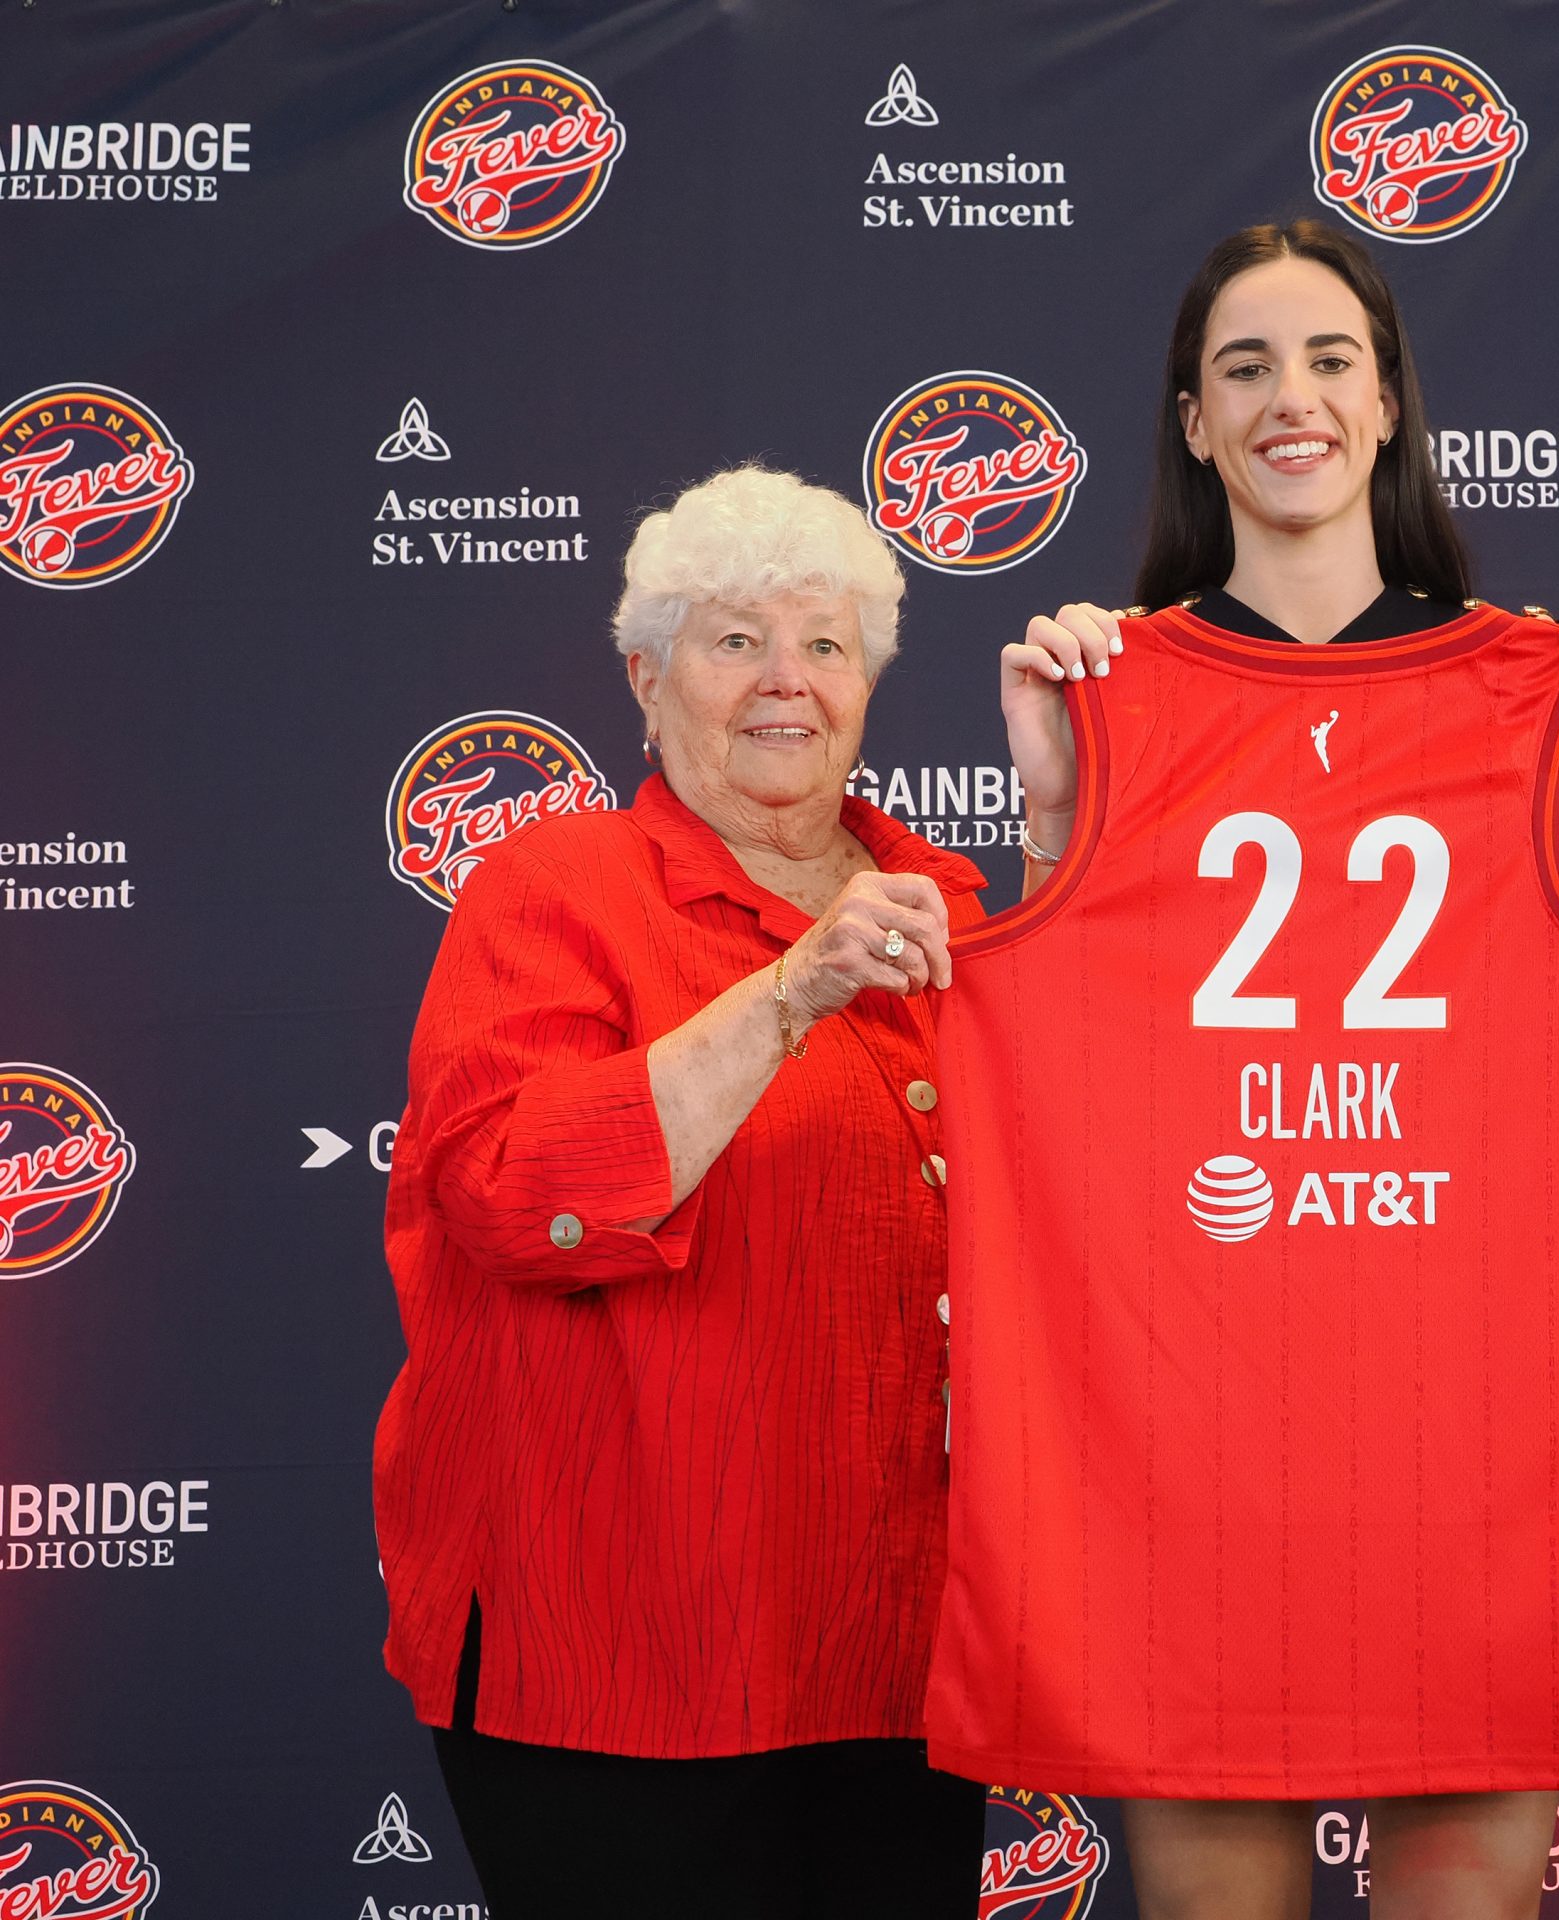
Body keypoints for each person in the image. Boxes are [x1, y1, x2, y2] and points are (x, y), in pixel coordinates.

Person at [928, 219, 1559, 1920]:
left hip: (1472, 1436)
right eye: (1248, 366)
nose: (1296, 398)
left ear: (1389, 403)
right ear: (1194, 425)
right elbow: (1048, 1004)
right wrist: (1055, 812)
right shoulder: (1102, 683)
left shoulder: (1534, 683)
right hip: (1185, 1452)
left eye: (1332, 359)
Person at [374, 466, 990, 1917]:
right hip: (613, 1651)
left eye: (826, 644)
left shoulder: (951, 908)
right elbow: (515, 1193)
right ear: (646, 679)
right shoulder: (554, 887)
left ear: (871, 682)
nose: (786, 680)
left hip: (896, 1649)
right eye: (733, 640)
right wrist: (791, 994)